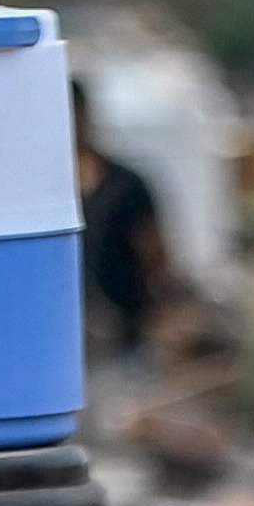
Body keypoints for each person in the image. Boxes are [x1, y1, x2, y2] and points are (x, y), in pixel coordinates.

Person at [76, 90, 178, 361]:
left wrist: (158, 311)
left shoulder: (126, 185)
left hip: (124, 330)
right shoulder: (44, 195)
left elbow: (154, 252)